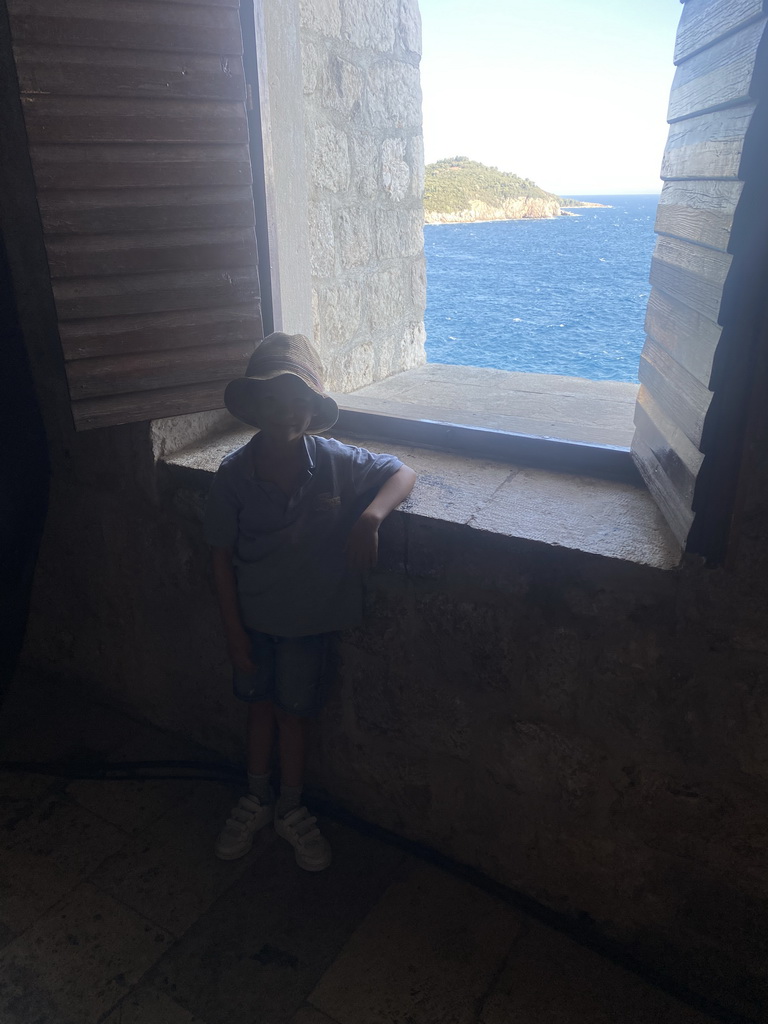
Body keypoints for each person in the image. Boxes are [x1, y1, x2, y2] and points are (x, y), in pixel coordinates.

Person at [204, 332, 416, 871]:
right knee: (257, 709)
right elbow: (220, 558)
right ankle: (256, 798)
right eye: (272, 399)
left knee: (294, 715)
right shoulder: (232, 476)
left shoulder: (337, 462)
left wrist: (371, 518)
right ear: (253, 406)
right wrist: (232, 632)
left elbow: (401, 471)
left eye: (298, 399)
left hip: (307, 626)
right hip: (252, 622)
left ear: (314, 409)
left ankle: (290, 807)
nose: (286, 412)